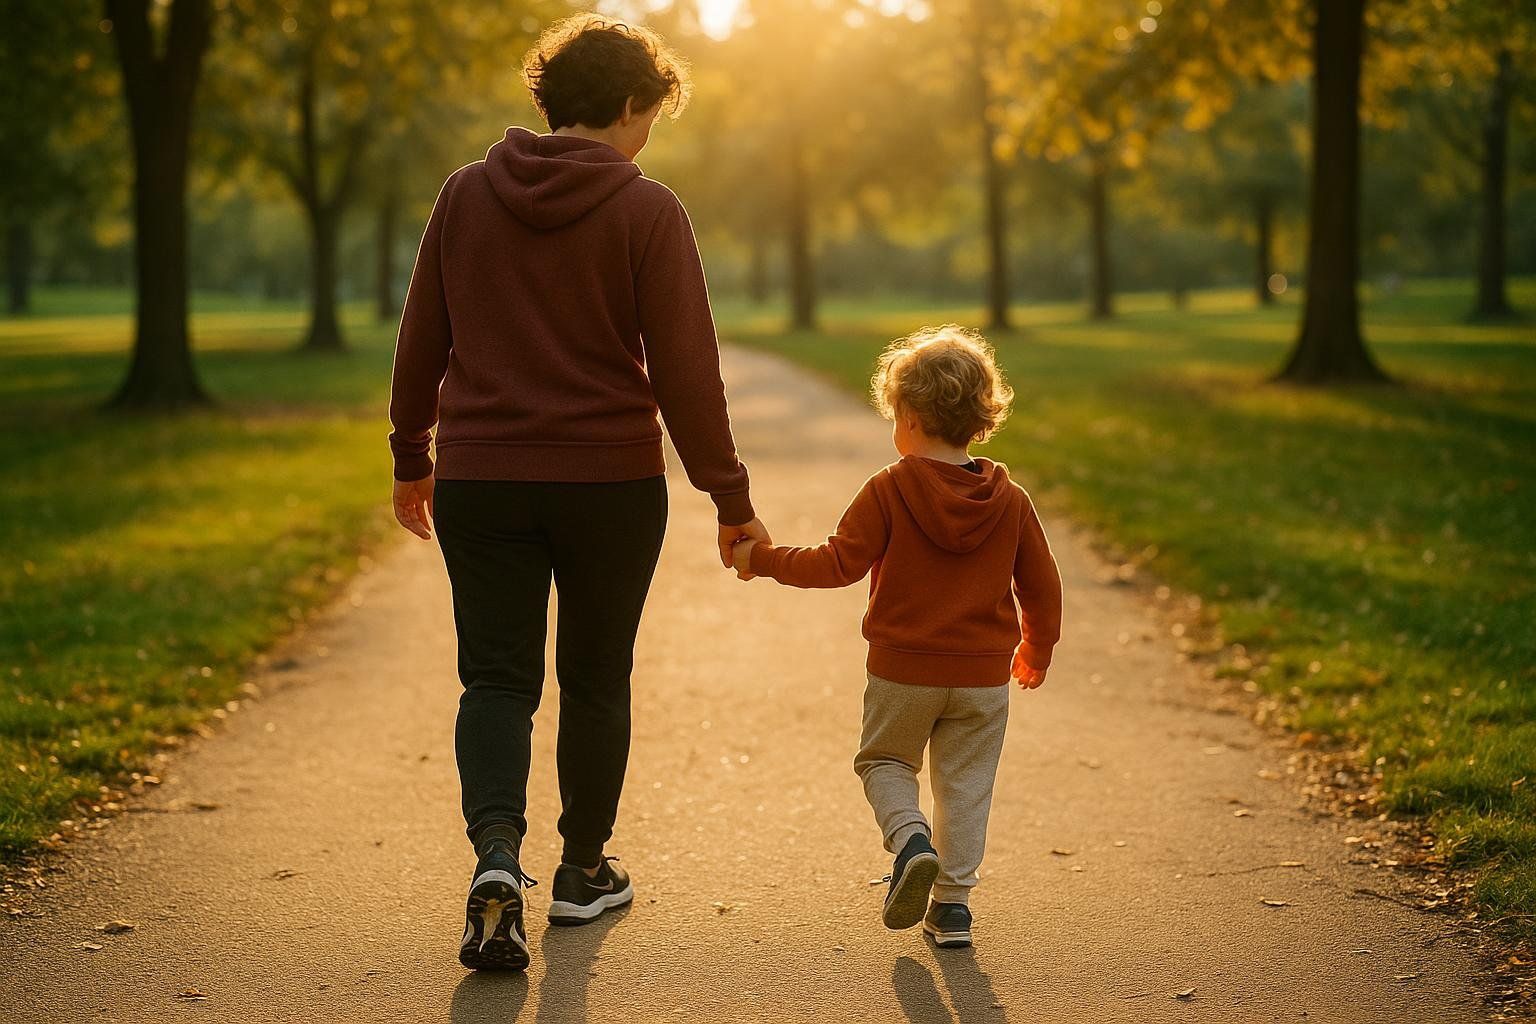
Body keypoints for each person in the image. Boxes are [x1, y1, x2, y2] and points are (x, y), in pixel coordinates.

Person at [386, 14, 770, 972]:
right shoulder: (648, 210)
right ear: (633, 104)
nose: (650, 137)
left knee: (497, 679)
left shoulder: (466, 195)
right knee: (596, 677)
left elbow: (420, 337)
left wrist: (411, 455)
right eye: (652, 116)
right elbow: (688, 373)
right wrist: (730, 498)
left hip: (481, 477)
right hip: (610, 483)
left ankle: (496, 862)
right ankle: (581, 873)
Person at [730, 326, 1062, 949]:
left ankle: (910, 841)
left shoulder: (889, 488)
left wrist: (763, 558)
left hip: (902, 670)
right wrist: (1035, 648)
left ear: (909, 417)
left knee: (884, 761)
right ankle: (953, 909)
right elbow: (1043, 586)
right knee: (965, 783)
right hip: (983, 677)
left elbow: (835, 564)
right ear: (979, 420)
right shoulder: (1009, 500)